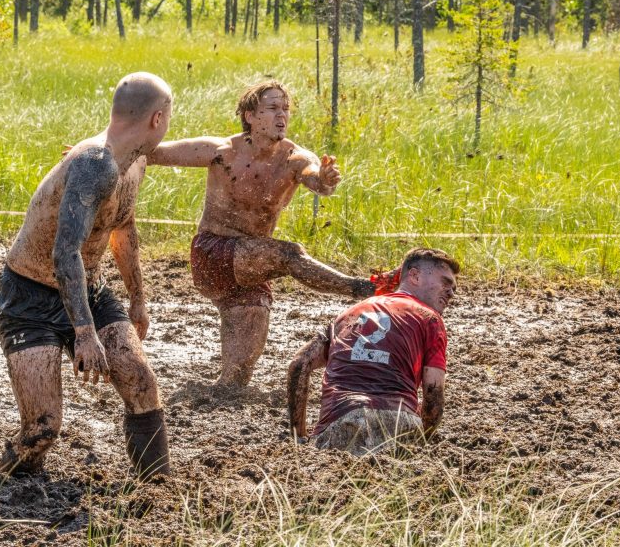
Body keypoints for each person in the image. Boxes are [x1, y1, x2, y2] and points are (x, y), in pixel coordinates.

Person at [0, 72, 173, 480]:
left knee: (141, 382)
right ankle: (8, 480)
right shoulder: (94, 164)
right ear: (157, 119)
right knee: (43, 430)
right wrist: (85, 333)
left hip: (88, 287)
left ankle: (158, 485)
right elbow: (64, 252)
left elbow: (123, 230)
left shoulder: (135, 160)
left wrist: (137, 298)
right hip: (30, 297)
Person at [147, 80, 374, 389]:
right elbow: (153, 152)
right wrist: (95, 152)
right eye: (272, 109)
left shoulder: (295, 157)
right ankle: (361, 289)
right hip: (213, 254)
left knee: (234, 382)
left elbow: (318, 181)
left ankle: (212, 395)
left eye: (285, 109)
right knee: (288, 254)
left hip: (251, 272)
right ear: (250, 116)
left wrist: (326, 178)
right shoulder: (221, 151)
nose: (282, 115)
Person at [286, 248, 458, 456]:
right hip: (398, 422)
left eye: (454, 288)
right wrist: (422, 442)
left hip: (341, 421)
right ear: (414, 275)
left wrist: (299, 437)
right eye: (446, 283)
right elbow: (433, 396)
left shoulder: (347, 315)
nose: (451, 292)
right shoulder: (430, 319)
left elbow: (299, 365)